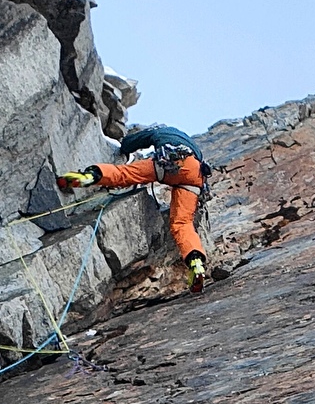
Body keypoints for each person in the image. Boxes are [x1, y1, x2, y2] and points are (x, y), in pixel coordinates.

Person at [58, 125, 210, 293]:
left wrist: (125, 146)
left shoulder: (160, 132)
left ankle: (89, 176)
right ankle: (195, 262)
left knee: (123, 174)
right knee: (183, 224)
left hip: (170, 161)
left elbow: (133, 142)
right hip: (195, 176)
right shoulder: (193, 146)